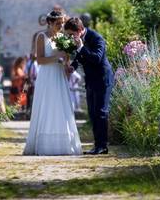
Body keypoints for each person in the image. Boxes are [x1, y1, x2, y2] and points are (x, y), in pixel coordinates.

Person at [23, 10, 82, 155]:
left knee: (60, 106)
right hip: (47, 75)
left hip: (59, 75)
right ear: (49, 23)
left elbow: (66, 58)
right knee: (47, 105)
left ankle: (63, 143)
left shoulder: (63, 37)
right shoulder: (41, 37)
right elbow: (40, 60)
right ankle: (44, 144)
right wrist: (57, 57)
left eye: (62, 23)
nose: (61, 26)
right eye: (58, 23)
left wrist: (67, 64)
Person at [64, 16, 114, 155]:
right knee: (92, 113)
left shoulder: (97, 38)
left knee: (101, 112)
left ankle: (102, 146)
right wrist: (73, 67)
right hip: (91, 79)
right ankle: (97, 145)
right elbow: (80, 57)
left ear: (80, 30)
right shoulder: (77, 39)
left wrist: (80, 46)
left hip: (103, 78)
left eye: (71, 34)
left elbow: (96, 58)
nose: (69, 37)